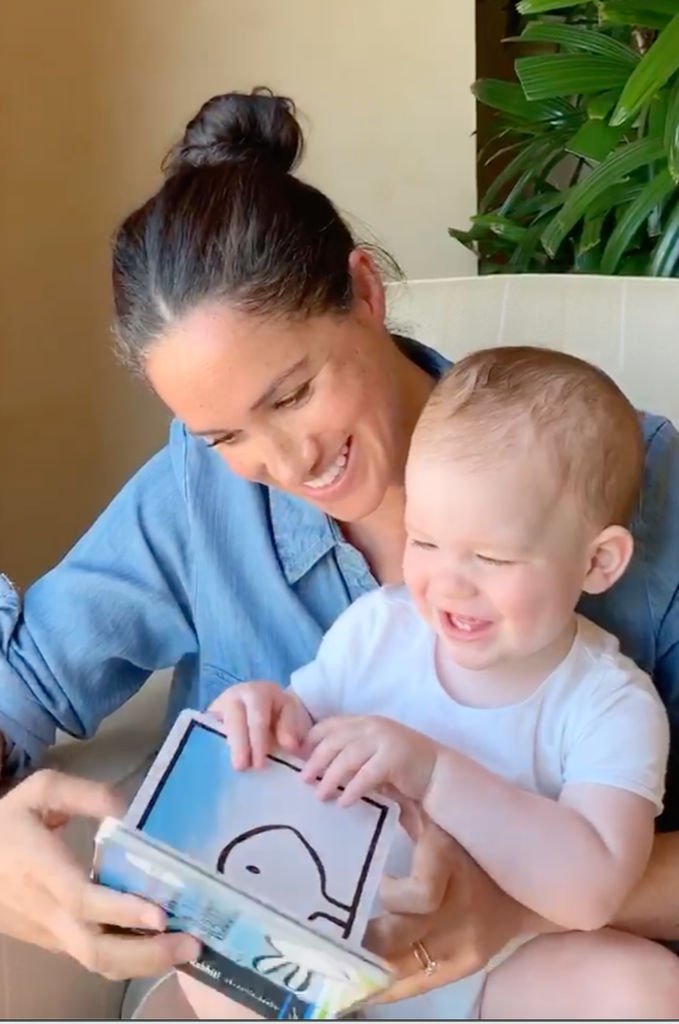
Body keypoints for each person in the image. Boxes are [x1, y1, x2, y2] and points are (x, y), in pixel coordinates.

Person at [1, 87, 679, 1005]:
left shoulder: (638, 485)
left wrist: (508, 915)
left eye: (291, 395)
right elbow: (24, 685)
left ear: (364, 292)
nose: (284, 462)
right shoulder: (201, 497)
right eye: (225, 435)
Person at [210, 347, 677, 1019]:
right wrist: (261, 711)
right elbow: (294, 742)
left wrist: (433, 775)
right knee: (211, 961)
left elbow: (593, 891)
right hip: (339, 947)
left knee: (645, 989)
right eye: (424, 541)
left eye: (491, 556)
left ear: (597, 561)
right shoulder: (375, 630)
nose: (447, 582)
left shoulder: (609, 703)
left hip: (502, 969)